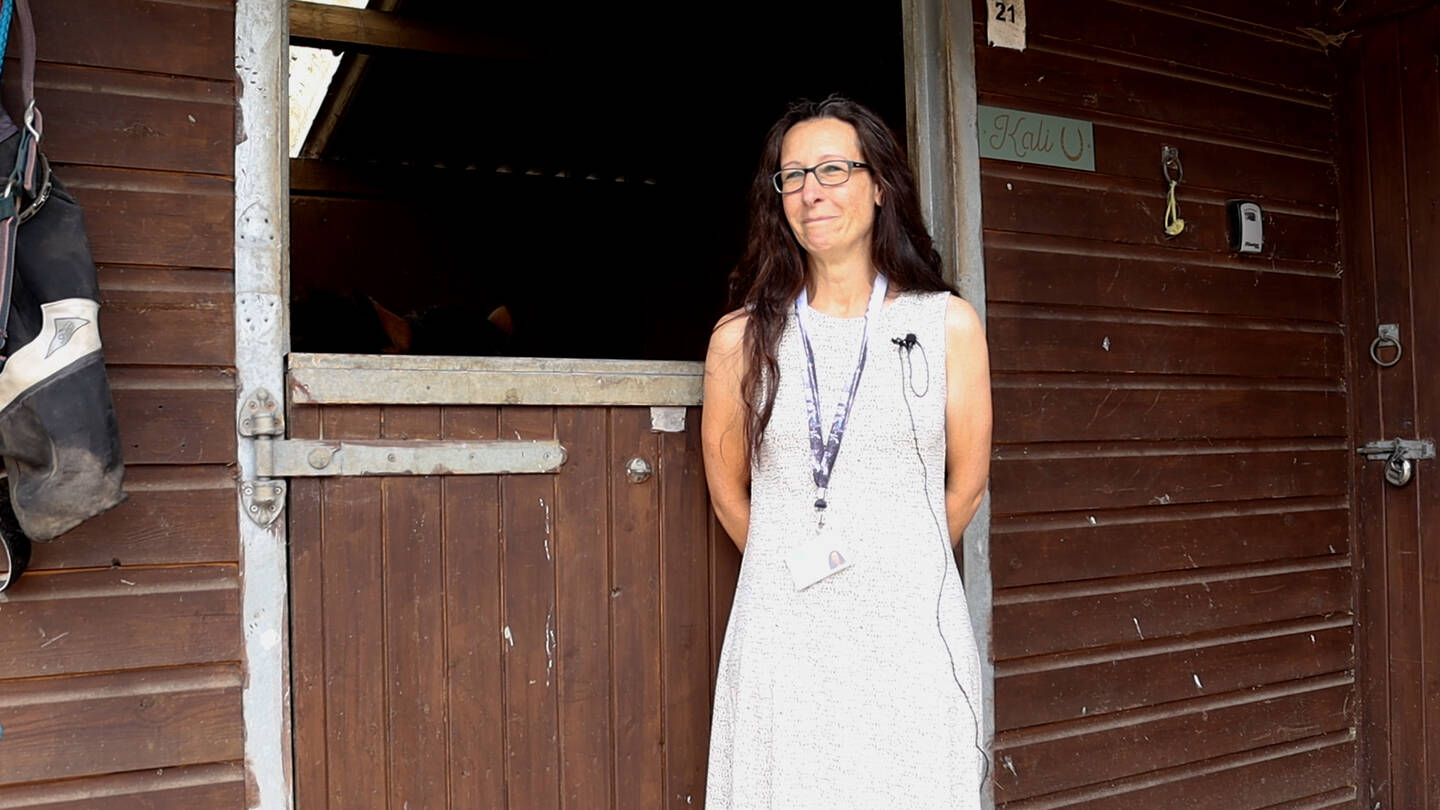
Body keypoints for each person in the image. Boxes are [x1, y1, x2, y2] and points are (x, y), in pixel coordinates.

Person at [701, 96, 992, 808]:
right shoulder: (740, 340)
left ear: (879, 184)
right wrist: (800, 573)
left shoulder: (945, 324)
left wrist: (896, 569)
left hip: (908, 625)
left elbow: (969, 483)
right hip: (785, 625)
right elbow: (729, 493)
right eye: (792, 176)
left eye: (833, 168)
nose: (811, 191)